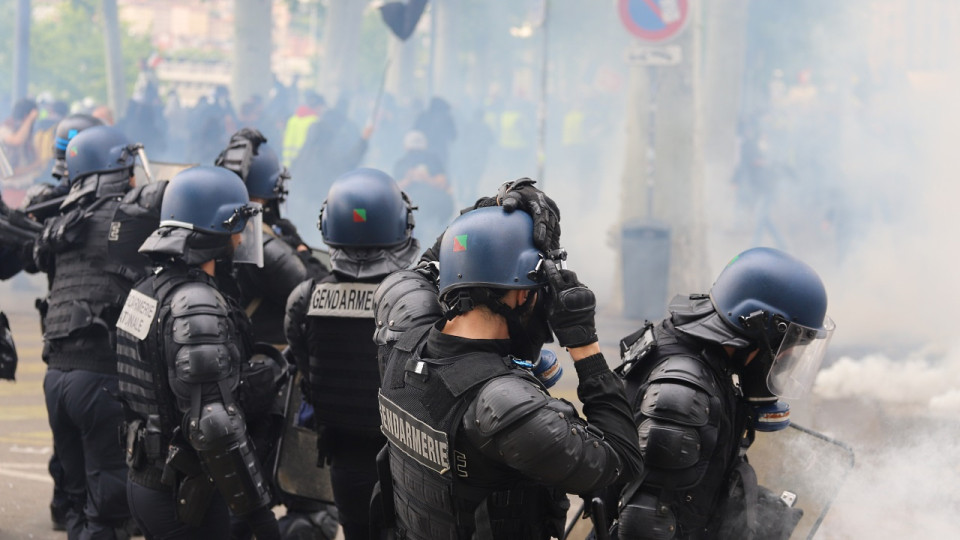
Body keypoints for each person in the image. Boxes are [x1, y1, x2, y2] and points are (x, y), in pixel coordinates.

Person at [372, 189, 644, 539]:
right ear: (521, 293)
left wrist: (487, 210)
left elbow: (425, 267)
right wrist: (584, 345)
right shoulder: (502, 404)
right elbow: (622, 461)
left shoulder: (400, 333)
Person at [615, 247, 835, 540]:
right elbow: (642, 527)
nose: (788, 358)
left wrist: (753, 514)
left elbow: (698, 486)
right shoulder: (682, 396)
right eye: (791, 344)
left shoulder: (714, 363)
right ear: (763, 329)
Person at [115, 166, 281, 539]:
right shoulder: (195, 302)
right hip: (185, 496)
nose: (241, 238)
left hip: (145, 480)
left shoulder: (146, 289)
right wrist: (259, 515)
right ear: (216, 230)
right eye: (236, 227)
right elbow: (213, 424)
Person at [32, 125, 163, 539]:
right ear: (115, 170)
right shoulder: (126, 217)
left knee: (76, 500)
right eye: (127, 169)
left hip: (57, 378)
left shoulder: (65, 220)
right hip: (100, 378)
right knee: (108, 508)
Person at [285, 168, 420, 539]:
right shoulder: (416, 301)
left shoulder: (305, 298)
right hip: (407, 460)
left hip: (343, 457)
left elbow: (306, 372)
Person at [214, 128, 336, 539]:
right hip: (275, 380)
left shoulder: (210, 231)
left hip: (228, 372)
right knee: (309, 506)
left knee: (240, 493)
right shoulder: (258, 237)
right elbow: (312, 287)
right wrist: (300, 250)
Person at [392, 130, 455, 247]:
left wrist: (427, 178)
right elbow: (395, 188)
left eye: (418, 152)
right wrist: (409, 178)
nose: (416, 155)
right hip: (411, 207)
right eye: (413, 152)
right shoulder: (401, 164)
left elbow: (443, 183)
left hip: (434, 205)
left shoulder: (433, 160)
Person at [0, 98, 39, 174]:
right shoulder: (5, 128)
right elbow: (17, 140)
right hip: (10, 184)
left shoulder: (27, 131)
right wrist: (30, 119)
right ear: (25, 115)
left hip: (26, 183)